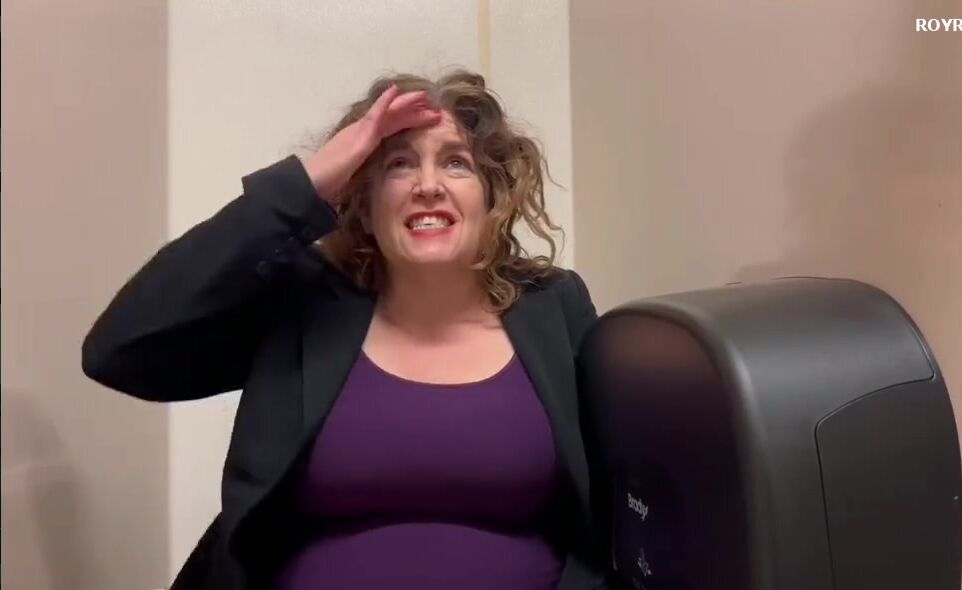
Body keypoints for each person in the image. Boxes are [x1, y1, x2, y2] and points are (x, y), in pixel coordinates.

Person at [81, 70, 612, 590]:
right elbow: (119, 350)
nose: (428, 186)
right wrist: (303, 186)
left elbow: (616, 502)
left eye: (456, 163)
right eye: (399, 165)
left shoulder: (553, 306)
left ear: (491, 197)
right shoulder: (305, 304)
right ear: (365, 203)